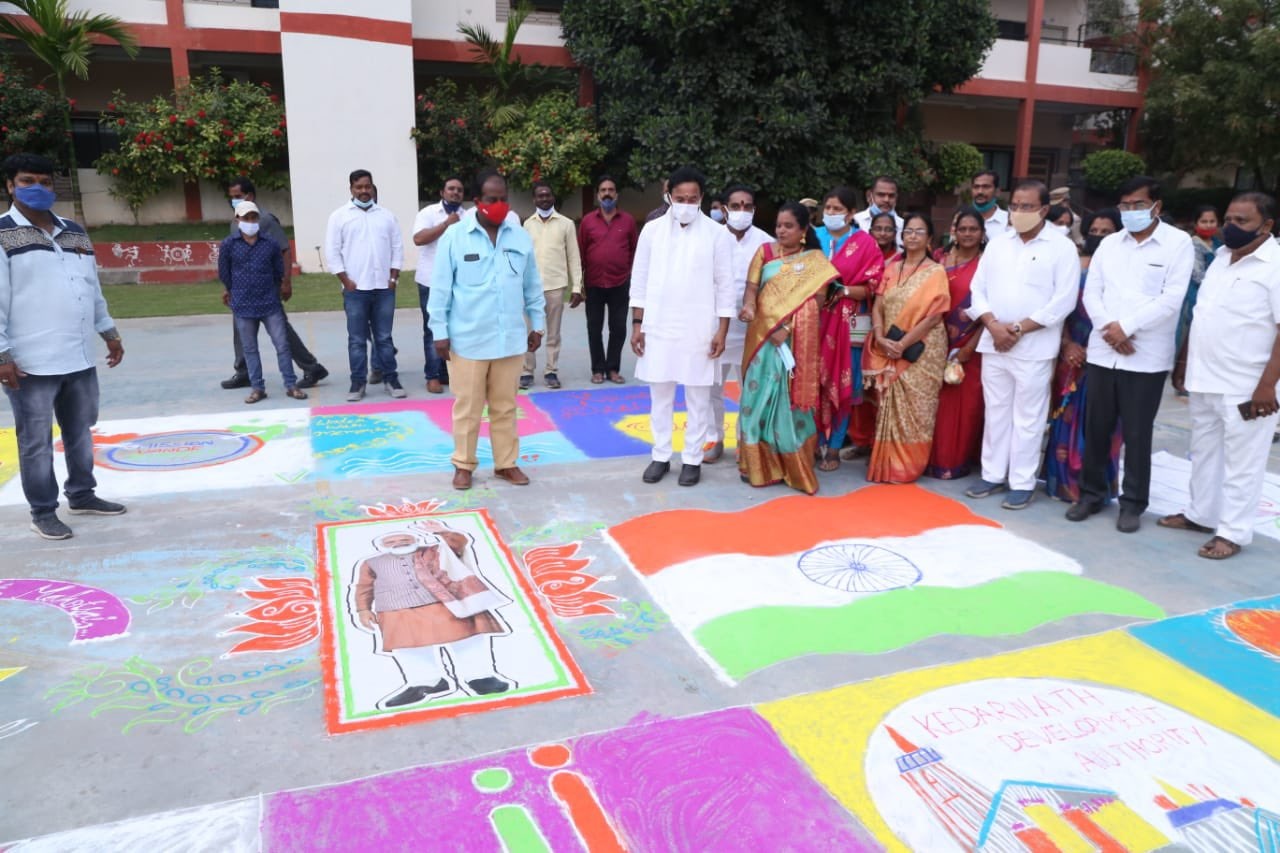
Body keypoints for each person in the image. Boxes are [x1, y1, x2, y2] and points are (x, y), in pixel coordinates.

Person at [0, 153, 125, 540]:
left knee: (80, 430)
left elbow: (91, 287)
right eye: (26, 180)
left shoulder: (74, 231)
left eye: (44, 181)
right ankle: (43, 510)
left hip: (78, 355)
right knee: (36, 440)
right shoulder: (3, 234)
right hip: (29, 362)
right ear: (10, 186)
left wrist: (108, 330)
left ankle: (83, 494)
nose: (37, 188)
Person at [1067, 177, 1193, 532]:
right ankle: (1091, 495)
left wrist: (1129, 326)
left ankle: (1133, 504)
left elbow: (1172, 299)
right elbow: (1092, 292)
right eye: (1125, 205)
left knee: (1137, 434)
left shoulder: (1177, 244)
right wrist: (1111, 328)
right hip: (1105, 351)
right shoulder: (1109, 245)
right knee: (1097, 428)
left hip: (1145, 355)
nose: (1131, 212)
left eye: (1138, 205)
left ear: (1157, 207)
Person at [1161, 192, 1280, 559]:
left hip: (1246, 387)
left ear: (1267, 225)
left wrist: (1266, 385)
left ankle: (1232, 532)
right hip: (1204, 379)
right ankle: (1201, 514)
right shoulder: (1222, 259)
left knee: (1243, 464)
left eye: (1241, 221)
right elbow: (1203, 315)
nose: (1230, 227)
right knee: (1204, 453)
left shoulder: (1275, 265)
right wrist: (1184, 363)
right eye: (1228, 219)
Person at [965, 179, 1080, 510]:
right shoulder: (999, 244)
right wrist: (992, 325)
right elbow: (978, 290)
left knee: (1028, 417)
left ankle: (1022, 481)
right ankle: (991, 474)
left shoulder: (1061, 248)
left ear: (1044, 210)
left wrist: (1015, 329)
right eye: (1015, 205)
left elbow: (1063, 302)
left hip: (1033, 347)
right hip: (994, 343)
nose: (1018, 211)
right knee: (997, 411)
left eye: (1027, 206)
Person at [430, 171, 546, 491]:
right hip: (467, 339)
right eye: (491, 199)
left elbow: (532, 286)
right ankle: (463, 464)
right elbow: (440, 289)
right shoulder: (456, 236)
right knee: (467, 407)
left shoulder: (519, 236)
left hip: (509, 339)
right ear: (477, 201)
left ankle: (505, 463)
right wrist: (439, 331)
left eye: (503, 199)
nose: (498, 205)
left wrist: (537, 325)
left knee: (505, 406)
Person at [630, 165, 735, 487]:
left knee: (698, 398)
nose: (686, 203)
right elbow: (640, 279)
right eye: (680, 198)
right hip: (659, 325)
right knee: (659, 395)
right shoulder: (652, 231)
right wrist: (637, 324)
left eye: (693, 198)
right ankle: (660, 455)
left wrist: (722, 330)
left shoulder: (718, 234)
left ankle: (692, 458)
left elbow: (725, 285)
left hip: (700, 328)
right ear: (669, 197)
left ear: (701, 198)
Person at [353, 521, 513, 708]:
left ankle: (480, 677)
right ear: (381, 544)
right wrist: (363, 609)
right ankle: (426, 683)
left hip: (445, 604)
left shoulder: (436, 550)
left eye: (404, 538)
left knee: (466, 640)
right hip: (395, 610)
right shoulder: (372, 563)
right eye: (391, 541)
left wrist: (442, 531)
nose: (398, 543)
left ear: (415, 538)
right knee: (408, 649)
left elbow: (458, 543)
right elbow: (364, 586)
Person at [737, 202, 839, 494]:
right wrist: (747, 307)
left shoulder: (815, 261)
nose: (781, 230)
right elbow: (752, 289)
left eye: (788, 226)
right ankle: (756, 463)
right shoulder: (764, 253)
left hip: (793, 342)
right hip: (761, 337)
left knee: (788, 401)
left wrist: (787, 328)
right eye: (779, 225)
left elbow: (816, 301)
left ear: (803, 230)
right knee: (755, 398)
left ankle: (790, 462)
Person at [863, 212, 950, 483]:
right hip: (887, 343)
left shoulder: (936, 272)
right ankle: (886, 463)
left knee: (916, 408)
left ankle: (908, 465)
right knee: (887, 402)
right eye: (908, 231)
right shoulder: (891, 268)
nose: (912, 236)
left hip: (921, 350)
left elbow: (934, 316)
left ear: (929, 239)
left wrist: (903, 344)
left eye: (919, 232)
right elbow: (878, 305)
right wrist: (879, 336)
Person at [1043, 208, 1123, 502]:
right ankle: (1063, 484)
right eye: (1094, 231)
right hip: (1071, 353)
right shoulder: (1073, 265)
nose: (1099, 237)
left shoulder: (1125, 269)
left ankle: (1095, 488)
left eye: (1107, 232)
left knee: (1104, 421)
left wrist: (1098, 347)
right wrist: (1067, 345)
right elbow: (1058, 309)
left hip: (1110, 352)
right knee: (1065, 417)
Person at [221, 177, 327, 391]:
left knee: (281, 332)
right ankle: (244, 372)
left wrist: (286, 282)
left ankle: (311, 366)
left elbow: (284, 249)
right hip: (242, 290)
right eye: (231, 198)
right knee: (240, 330)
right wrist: (229, 287)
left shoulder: (266, 220)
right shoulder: (236, 222)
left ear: (250, 196)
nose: (234, 201)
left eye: (237, 197)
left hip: (266, 289)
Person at [812, 186, 885, 470]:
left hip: (847, 324)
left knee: (843, 383)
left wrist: (841, 292)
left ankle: (834, 447)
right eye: (828, 208)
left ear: (851, 213)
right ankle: (815, 443)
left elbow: (874, 284)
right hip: (813, 323)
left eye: (838, 209)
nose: (831, 214)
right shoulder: (812, 237)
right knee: (813, 384)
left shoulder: (865, 243)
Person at [704, 184, 771, 463]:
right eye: (735, 206)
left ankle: (746, 440)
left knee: (750, 389)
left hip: (750, 330)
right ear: (724, 210)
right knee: (711, 388)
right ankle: (713, 439)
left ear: (754, 210)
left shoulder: (765, 242)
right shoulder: (710, 238)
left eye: (747, 206)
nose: (741, 211)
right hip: (714, 327)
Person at [325, 168, 405, 402]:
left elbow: (397, 248)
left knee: (384, 337)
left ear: (372, 187)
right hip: (355, 290)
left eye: (367, 186)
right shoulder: (339, 216)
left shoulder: (387, 216)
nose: (363, 191)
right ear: (351, 189)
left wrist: (393, 279)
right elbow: (332, 252)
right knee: (357, 340)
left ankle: (391, 378)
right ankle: (357, 382)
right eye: (359, 187)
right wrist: (346, 281)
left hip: (384, 289)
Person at [218, 202, 307, 405]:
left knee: (282, 345)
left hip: (269, 302)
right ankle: (257, 388)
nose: (250, 222)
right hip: (243, 304)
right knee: (250, 349)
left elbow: (278, 269)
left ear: (258, 219)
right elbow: (224, 272)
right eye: (245, 218)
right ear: (237, 220)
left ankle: (291, 385)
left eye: (253, 217)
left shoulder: (270, 243)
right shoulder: (229, 245)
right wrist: (231, 290)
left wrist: (280, 286)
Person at [926, 208, 987, 479]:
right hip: (935, 340)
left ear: (982, 233)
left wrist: (969, 347)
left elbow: (990, 310)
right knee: (935, 403)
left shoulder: (988, 264)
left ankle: (957, 461)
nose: (967, 234)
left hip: (969, 345)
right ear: (955, 231)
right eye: (962, 229)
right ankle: (932, 459)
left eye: (973, 229)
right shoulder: (939, 259)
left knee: (965, 405)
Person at [520, 182, 581, 391]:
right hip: (530, 288)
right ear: (534, 199)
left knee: (553, 333)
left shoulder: (566, 224)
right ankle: (526, 372)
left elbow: (574, 258)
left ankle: (551, 371)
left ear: (553, 197)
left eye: (547, 195)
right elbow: (522, 258)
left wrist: (577, 287)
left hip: (556, 286)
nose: (544, 198)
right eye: (540, 196)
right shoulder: (527, 225)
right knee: (529, 331)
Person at [577, 175, 638, 385]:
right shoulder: (587, 221)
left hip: (620, 283)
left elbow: (634, 251)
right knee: (594, 328)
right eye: (603, 190)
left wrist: (630, 276)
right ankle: (597, 369)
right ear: (597, 195)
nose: (607, 194)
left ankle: (613, 369)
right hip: (594, 283)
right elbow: (581, 252)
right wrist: (580, 283)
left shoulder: (628, 221)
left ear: (616, 194)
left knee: (618, 328)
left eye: (611, 190)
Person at [412, 176, 465, 394]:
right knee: (433, 329)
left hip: (458, 282)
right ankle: (432, 375)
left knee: (455, 329)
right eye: (451, 189)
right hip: (431, 282)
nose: (455, 193)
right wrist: (446, 224)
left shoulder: (469, 216)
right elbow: (419, 239)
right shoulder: (428, 213)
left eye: (459, 190)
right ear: (442, 192)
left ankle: (448, 373)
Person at [1174, 204, 1222, 392]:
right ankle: (1183, 377)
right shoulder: (1192, 244)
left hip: (1215, 298)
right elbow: (1198, 275)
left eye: (1212, 221)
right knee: (1190, 337)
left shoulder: (1219, 244)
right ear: (1196, 223)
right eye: (1204, 221)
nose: (1208, 225)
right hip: (1195, 297)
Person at [853, 176, 904, 244]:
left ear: (896, 197)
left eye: (891, 196)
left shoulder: (903, 226)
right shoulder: (855, 221)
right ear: (869, 195)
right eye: (881, 195)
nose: (886, 200)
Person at [971, 170, 1009, 242]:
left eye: (986, 187)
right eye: (976, 187)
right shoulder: (961, 219)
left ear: (997, 192)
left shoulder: (1008, 222)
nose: (980, 191)